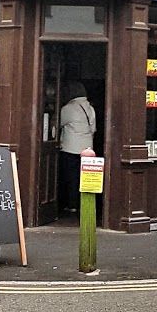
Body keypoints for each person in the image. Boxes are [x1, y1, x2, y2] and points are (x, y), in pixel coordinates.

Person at [57, 81, 96, 213]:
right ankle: (83, 205)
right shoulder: (90, 108)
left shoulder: (68, 108)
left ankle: (71, 204)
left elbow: (58, 123)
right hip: (87, 148)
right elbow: (93, 129)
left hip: (70, 147)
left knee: (70, 178)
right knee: (84, 178)